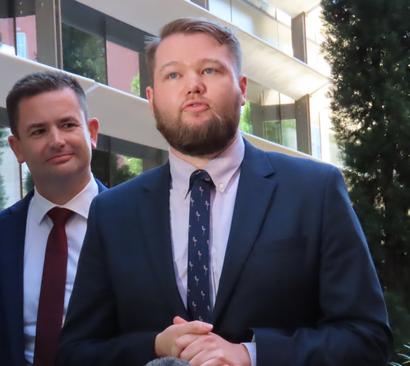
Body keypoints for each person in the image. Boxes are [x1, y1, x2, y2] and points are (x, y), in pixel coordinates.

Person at [58, 17, 391, 366]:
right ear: (152, 99)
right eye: (174, 74)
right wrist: (155, 346)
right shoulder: (112, 212)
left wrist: (251, 355)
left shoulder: (315, 191)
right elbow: (76, 353)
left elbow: (367, 338)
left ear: (242, 88)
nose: (193, 86)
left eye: (210, 70)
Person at [0, 71, 104, 366]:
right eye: (38, 131)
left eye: (68, 124)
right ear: (17, 148)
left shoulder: (137, 225)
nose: (56, 140)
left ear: (92, 133)